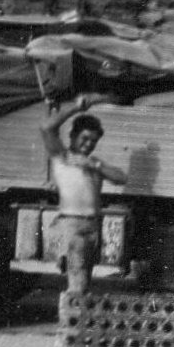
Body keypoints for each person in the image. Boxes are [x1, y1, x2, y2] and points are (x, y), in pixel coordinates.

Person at [40, 94, 128, 293]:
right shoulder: (63, 157)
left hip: (94, 226)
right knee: (77, 276)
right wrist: (75, 108)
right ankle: (73, 318)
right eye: (85, 138)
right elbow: (46, 128)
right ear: (72, 135)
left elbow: (121, 178)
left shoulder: (94, 163)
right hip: (73, 225)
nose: (89, 144)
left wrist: (95, 165)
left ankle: (78, 317)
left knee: (85, 277)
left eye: (93, 141)